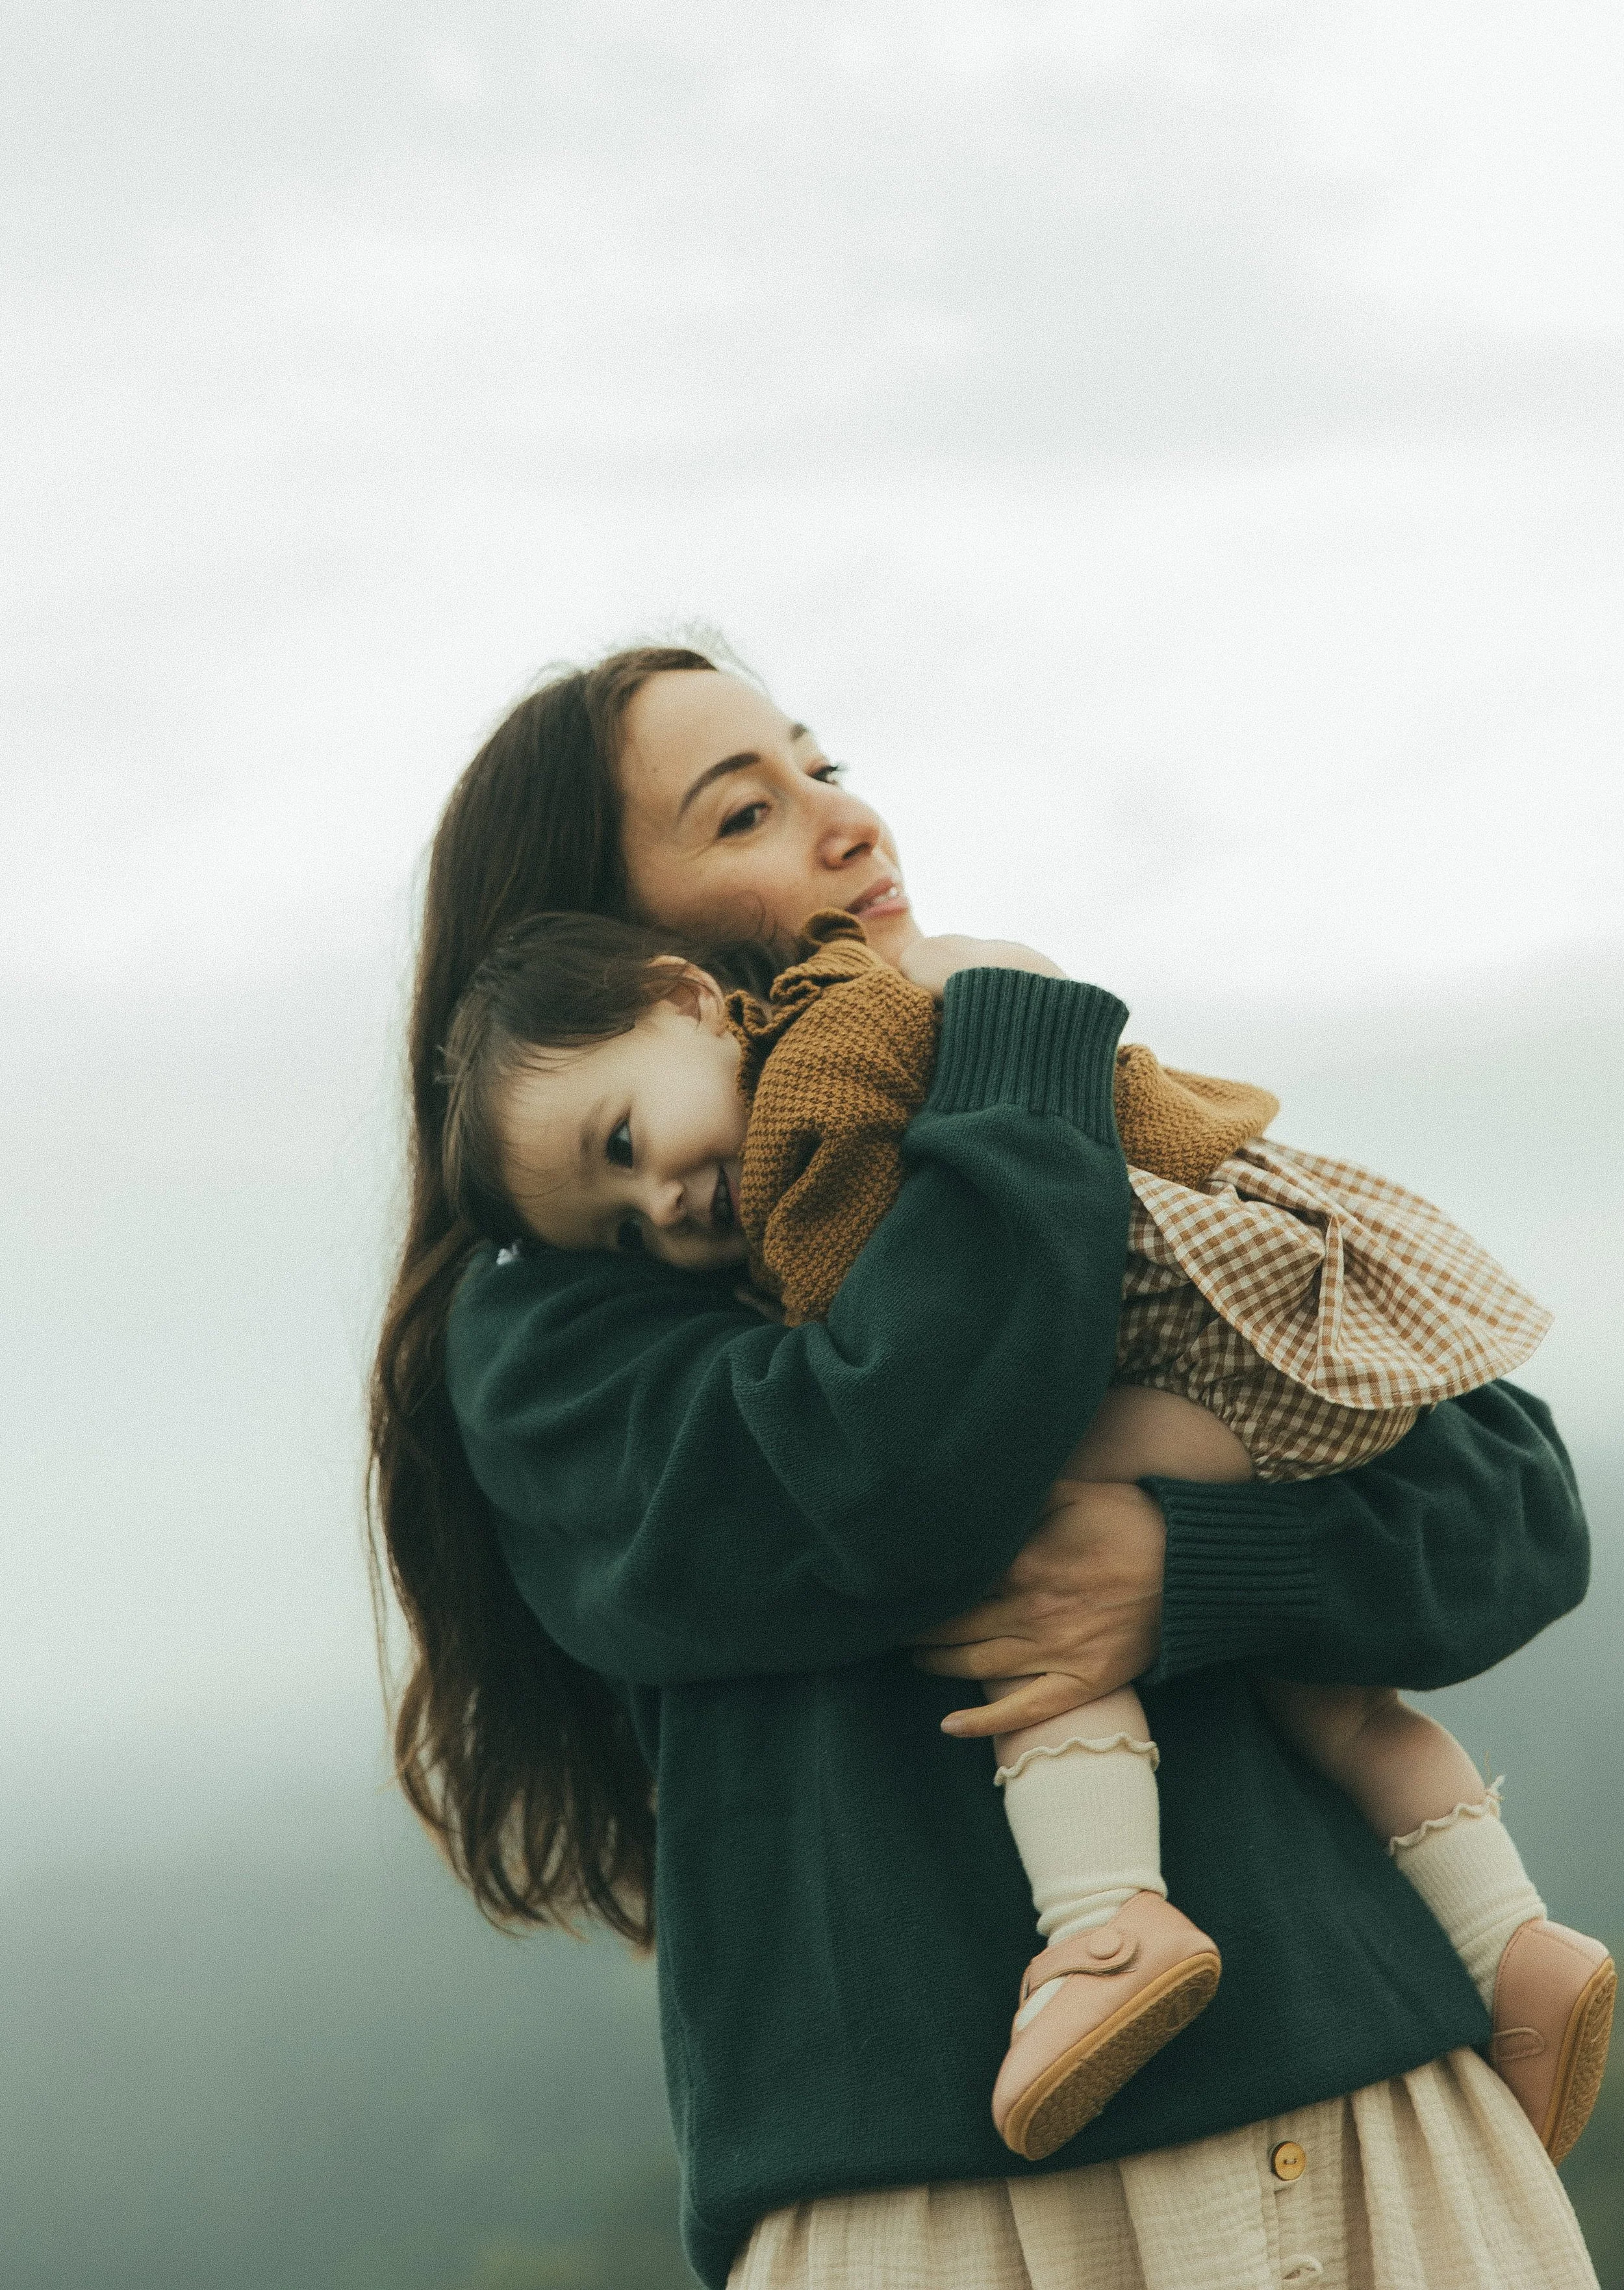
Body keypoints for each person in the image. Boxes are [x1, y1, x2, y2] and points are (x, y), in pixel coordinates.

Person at [370, 646, 1600, 2290]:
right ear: (610, 947)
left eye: (820, 768)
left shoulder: (1042, 1146)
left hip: (1378, 2125)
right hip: (951, 2211)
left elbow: (1508, 1502)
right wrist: (1011, 1022)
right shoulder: (558, 1337)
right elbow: (904, 1461)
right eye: (743, 812)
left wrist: (1192, 1572)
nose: (847, 822)